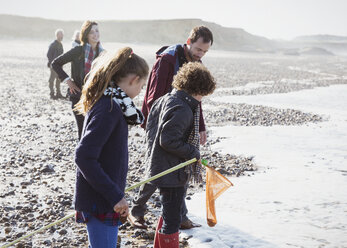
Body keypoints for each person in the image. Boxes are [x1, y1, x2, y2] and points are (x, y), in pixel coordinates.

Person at [129, 26, 213, 230]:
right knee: (158, 166)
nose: (200, 54)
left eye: (204, 52)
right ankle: (136, 209)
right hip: (160, 118)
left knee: (179, 166)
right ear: (189, 41)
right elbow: (154, 96)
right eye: (198, 49)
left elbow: (196, 99)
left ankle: (180, 215)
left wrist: (200, 126)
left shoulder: (196, 63)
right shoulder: (167, 59)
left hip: (181, 117)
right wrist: (160, 124)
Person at [73, 47, 149, 248]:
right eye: (141, 86)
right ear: (133, 79)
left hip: (102, 196)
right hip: (101, 199)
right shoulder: (109, 108)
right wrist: (115, 196)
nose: (140, 91)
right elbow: (83, 156)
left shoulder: (110, 103)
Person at [146, 62, 216, 248]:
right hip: (171, 172)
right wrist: (193, 152)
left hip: (161, 166)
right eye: (202, 94)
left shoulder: (165, 99)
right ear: (196, 89)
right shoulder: (183, 109)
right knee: (172, 218)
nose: (201, 99)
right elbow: (167, 140)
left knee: (168, 211)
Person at [52, 20, 104, 140]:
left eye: (97, 31)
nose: (95, 34)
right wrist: (68, 81)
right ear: (85, 35)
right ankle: (81, 157)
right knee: (83, 132)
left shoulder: (103, 53)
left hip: (96, 98)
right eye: (91, 32)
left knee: (94, 132)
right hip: (78, 96)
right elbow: (56, 63)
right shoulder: (78, 51)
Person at [47, 29, 64, 99]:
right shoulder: (53, 44)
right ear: (57, 35)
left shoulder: (60, 44)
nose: (61, 36)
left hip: (59, 65)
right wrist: (52, 62)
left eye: (62, 35)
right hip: (54, 65)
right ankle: (51, 93)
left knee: (58, 79)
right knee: (52, 79)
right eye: (60, 35)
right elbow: (48, 54)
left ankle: (58, 93)